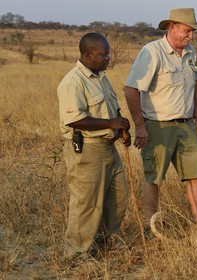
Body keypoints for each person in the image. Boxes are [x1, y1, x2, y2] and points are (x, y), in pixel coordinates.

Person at [123, 8, 197, 237]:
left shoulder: (191, 52)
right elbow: (131, 89)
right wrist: (139, 126)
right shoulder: (152, 52)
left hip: (186, 124)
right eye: (187, 31)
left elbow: (196, 81)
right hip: (158, 125)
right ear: (173, 28)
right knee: (154, 177)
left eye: (192, 32)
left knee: (196, 173)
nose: (190, 36)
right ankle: (152, 228)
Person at [57, 32, 131, 264]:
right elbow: (74, 119)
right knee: (87, 203)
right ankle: (76, 253)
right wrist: (111, 123)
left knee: (118, 197)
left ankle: (102, 244)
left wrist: (121, 128)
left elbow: (112, 110)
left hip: (108, 147)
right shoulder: (73, 81)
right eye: (103, 54)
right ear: (88, 55)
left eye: (108, 53)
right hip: (87, 148)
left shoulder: (100, 77)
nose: (108, 58)